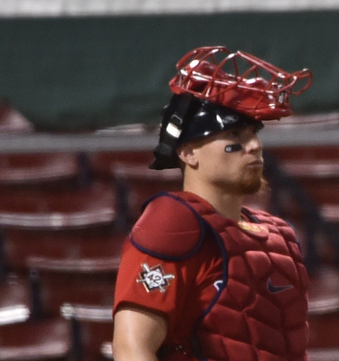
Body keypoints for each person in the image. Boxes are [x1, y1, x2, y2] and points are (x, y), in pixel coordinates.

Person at [112, 47, 313, 361]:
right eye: (234, 135)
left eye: (253, 133)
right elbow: (131, 348)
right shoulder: (173, 224)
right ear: (188, 153)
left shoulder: (279, 234)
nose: (255, 146)